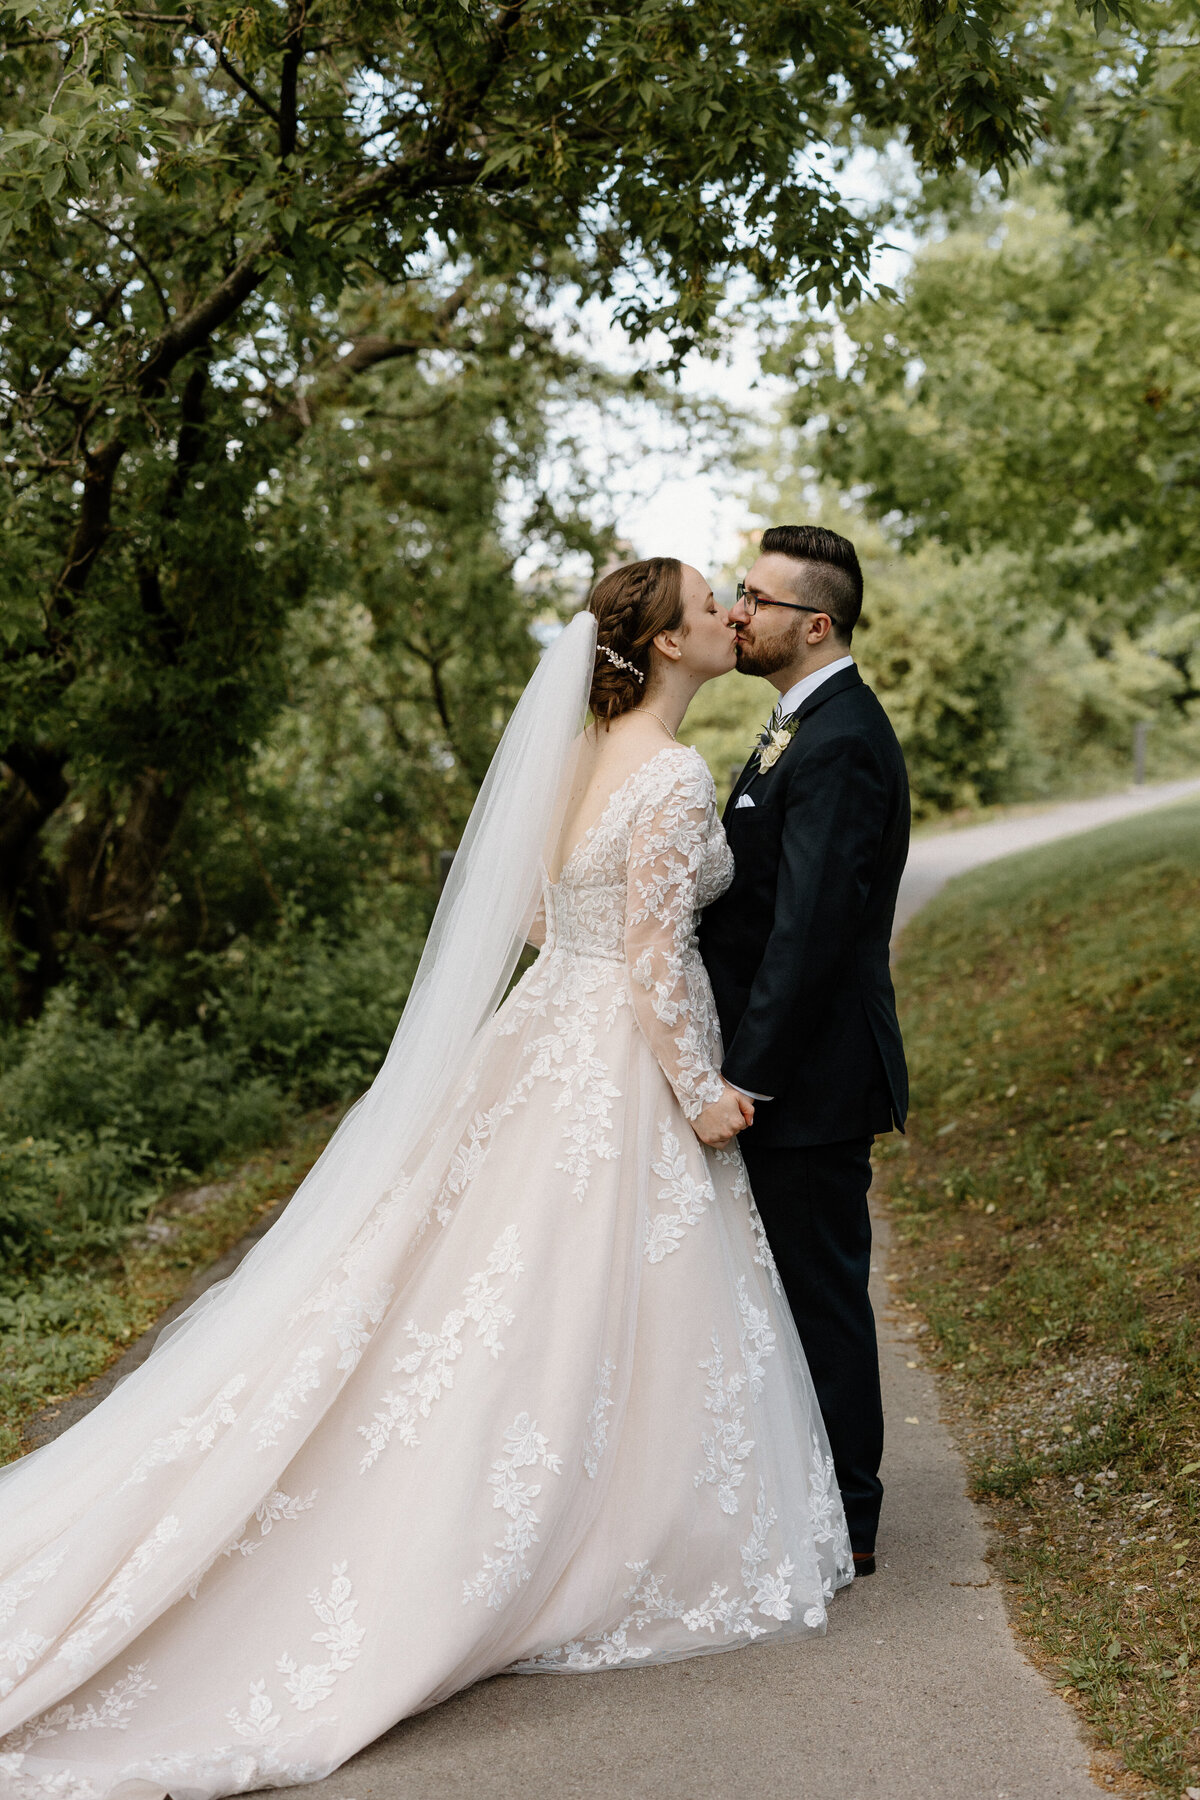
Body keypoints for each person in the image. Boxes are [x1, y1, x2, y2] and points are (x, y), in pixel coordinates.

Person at [0, 559, 851, 1800]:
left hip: (540, 1035)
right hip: (615, 1061)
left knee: (471, 1295)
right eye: (714, 602)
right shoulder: (667, 777)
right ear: (667, 646)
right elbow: (661, 962)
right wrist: (701, 1090)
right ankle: (587, 1530)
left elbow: (528, 920)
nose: (734, 614)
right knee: (575, 1297)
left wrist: (590, 957)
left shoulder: (567, 763)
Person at [699, 525, 910, 1577]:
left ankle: (850, 1524)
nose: (737, 612)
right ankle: (813, 1499)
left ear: (813, 623)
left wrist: (748, 1076)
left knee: (819, 1294)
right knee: (785, 1289)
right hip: (788, 1073)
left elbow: (811, 933)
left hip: (811, 1081)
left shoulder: (839, 741)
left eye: (755, 597)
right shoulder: (798, 726)